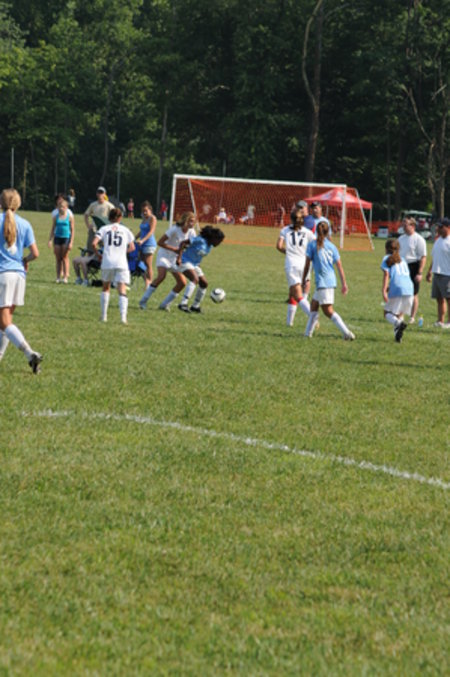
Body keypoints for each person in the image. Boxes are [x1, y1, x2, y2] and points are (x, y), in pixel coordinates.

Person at [0, 189, 42, 373]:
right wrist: (24, 260)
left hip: (3, 275)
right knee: (5, 321)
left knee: (5, 322)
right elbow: (35, 253)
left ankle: (29, 353)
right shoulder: (25, 224)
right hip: (19, 276)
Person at [302, 221, 355, 340]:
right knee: (314, 306)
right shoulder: (332, 246)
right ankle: (307, 334)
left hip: (323, 282)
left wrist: (303, 279)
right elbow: (339, 266)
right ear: (328, 232)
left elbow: (307, 265)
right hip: (329, 280)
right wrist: (344, 283)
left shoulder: (312, 245)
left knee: (328, 311)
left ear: (316, 231)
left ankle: (347, 333)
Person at [139, 211, 196, 310]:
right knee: (161, 276)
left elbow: (188, 246)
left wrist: (185, 258)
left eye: (193, 221)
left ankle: (164, 304)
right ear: (185, 220)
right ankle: (143, 301)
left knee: (182, 282)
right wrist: (174, 249)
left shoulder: (192, 232)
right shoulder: (175, 229)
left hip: (175, 258)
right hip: (164, 256)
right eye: (190, 221)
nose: (192, 223)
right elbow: (160, 242)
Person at [91, 207, 135, 324]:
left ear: (109, 218)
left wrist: (98, 255)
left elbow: (93, 243)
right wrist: (122, 252)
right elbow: (132, 247)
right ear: (120, 218)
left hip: (107, 261)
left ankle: (104, 316)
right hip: (121, 262)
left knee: (106, 287)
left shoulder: (104, 229)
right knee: (122, 289)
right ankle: (123, 318)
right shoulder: (125, 230)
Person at [276, 207, 315, 327]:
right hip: (305, 265)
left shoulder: (285, 230)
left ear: (291, 219)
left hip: (292, 265)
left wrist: (287, 252)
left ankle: (313, 316)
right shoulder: (308, 232)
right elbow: (315, 245)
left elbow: (279, 246)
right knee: (293, 293)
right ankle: (289, 323)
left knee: (297, 295)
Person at [176, 226, 225, 313]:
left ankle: (195, 306)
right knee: (194, 279)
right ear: (214, 238)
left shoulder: (210, 246)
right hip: (184, 261)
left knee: (204, 283)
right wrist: (179, 258)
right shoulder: (200, 240)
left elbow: (198, 254)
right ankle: (183, 304)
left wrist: (198, 264)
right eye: (219, 241)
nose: (219, 243)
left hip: (194, 265)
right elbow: (183, 243)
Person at [381, 239, 413, 342]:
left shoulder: (387, 258)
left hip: (398, 288)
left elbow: (386, 274)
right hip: (409, 288)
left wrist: (384, 290)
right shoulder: (402, 260)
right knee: (400, 314)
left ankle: (398, 324)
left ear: (386, 249)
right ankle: (398, 337)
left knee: (387, 313)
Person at [398, 216, 427, 323]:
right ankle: (401, 315)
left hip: (414, 266)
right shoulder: (401, 238)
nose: (403, 226)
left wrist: (420, 272)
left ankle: (412, 317)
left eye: (405, 224)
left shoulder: (419, 239)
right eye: (403, 224)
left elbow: (423, 257)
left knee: (413, 293)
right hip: (402, 266)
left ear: (412, 226)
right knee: (401, 292)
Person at [426, 218, 450, 328]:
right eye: (438, 227)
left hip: (447, 274)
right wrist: (429, 271)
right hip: (437, 273)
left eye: (441, 227)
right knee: (439, 298)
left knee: (449, 299)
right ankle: (440, 320)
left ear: (448, 227)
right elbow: (434, 257)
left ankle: (449, 322)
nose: (438, 229)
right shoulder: (438, 240)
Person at [48, 198, 74, 283]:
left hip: (66, 238)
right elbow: (53, 229)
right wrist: (50, 240)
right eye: (59, 206)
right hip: (57, 238)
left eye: (62, 207)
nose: (61, 208)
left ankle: (65, 277)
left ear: (66, 207)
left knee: (64, 257)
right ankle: (58, 277)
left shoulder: (69, 217)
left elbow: (72, 230)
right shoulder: (56, 217)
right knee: (58, 258)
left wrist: (71, 242)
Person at [83, 186, 115, 253]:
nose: (100, 194)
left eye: (101, 192)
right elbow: (86, 215)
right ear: (96, 194)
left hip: (105, 231)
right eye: (99, 192)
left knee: (105, 250)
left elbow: (115, 217)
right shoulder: (93, 205)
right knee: (90, 250)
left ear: (104, 194)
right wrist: (88, 226)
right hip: (94, 230)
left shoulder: (110, 206)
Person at [135, 201, 157, 287]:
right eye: (143, 211)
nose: (144, 212)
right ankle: (147, 282)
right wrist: (134, 238)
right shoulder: (144, 218)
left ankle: (150, 284)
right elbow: (142, 231)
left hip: (149, 244)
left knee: (148, 264)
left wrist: (142, 240)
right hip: (142, 244)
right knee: (141, 264)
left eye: (146, 211)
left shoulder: (152, 218)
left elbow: (151, 231)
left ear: (150, 210)